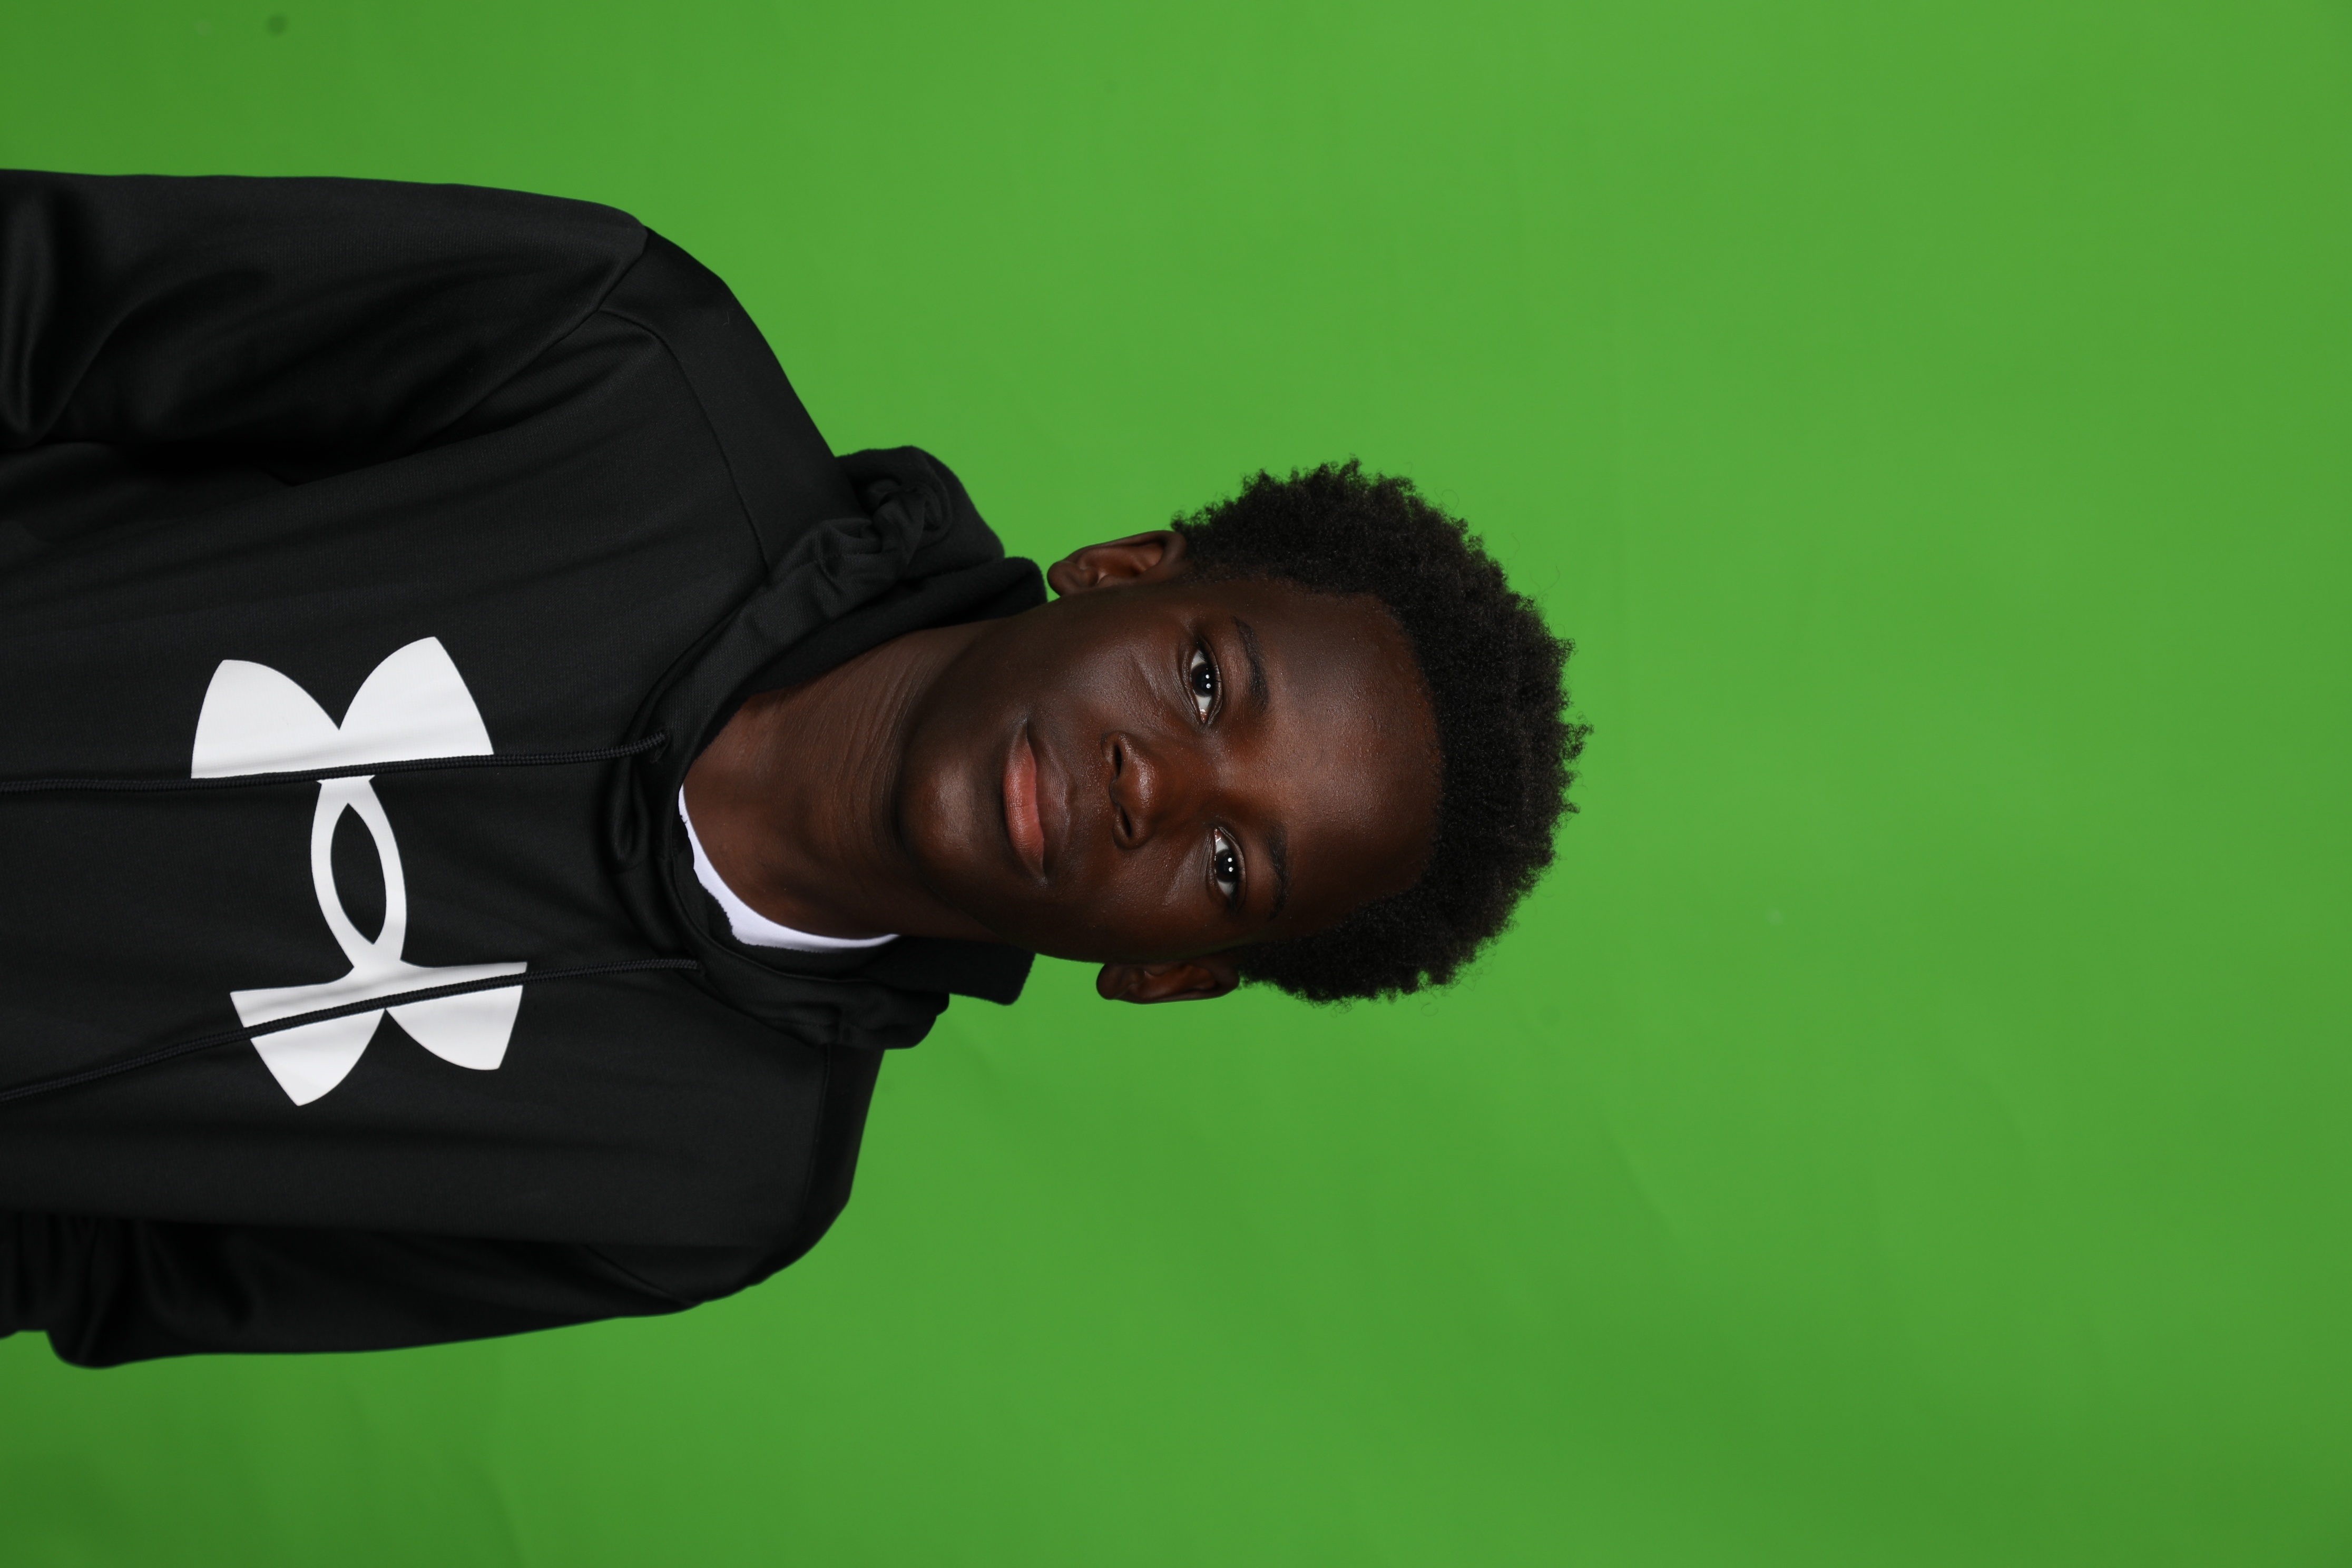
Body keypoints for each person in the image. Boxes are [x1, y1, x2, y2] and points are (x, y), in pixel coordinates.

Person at [0, 171, 1584, 1366]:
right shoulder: (618, 363)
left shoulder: (704, 1190)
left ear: (1170, 974)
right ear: (1120, 569)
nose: (1151, 790)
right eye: (1204, 682)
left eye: (1230, 868)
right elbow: (37, 299)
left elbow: (102, 1270)